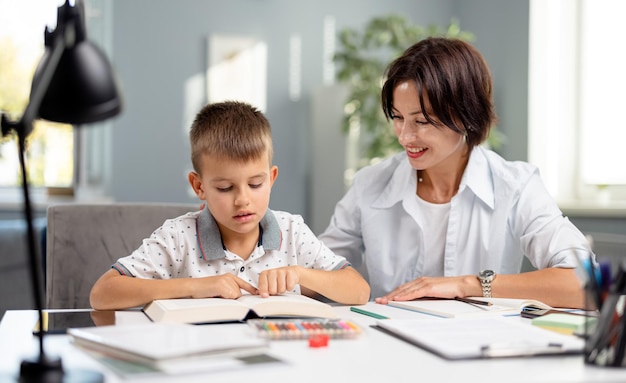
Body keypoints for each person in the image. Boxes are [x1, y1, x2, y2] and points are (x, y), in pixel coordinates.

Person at [318, 37, 592, 309]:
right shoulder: (371, 184)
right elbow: (319, 268)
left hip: (480, 346)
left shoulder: (515, 186)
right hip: (390, 344)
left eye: (421, 121)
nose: (404, 136)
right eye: (398, 117)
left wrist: (467, 285)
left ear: (466, 114)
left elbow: (586, 285)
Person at [90, 101, 370, 310]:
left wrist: (300, 274)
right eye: (225, 188)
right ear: (199, 186)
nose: (243, 200)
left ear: (271, 178)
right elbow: (102, 293)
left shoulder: (292, 231)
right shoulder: (178, 237)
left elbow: (358, 291)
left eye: (256, 184)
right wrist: (194, 286)